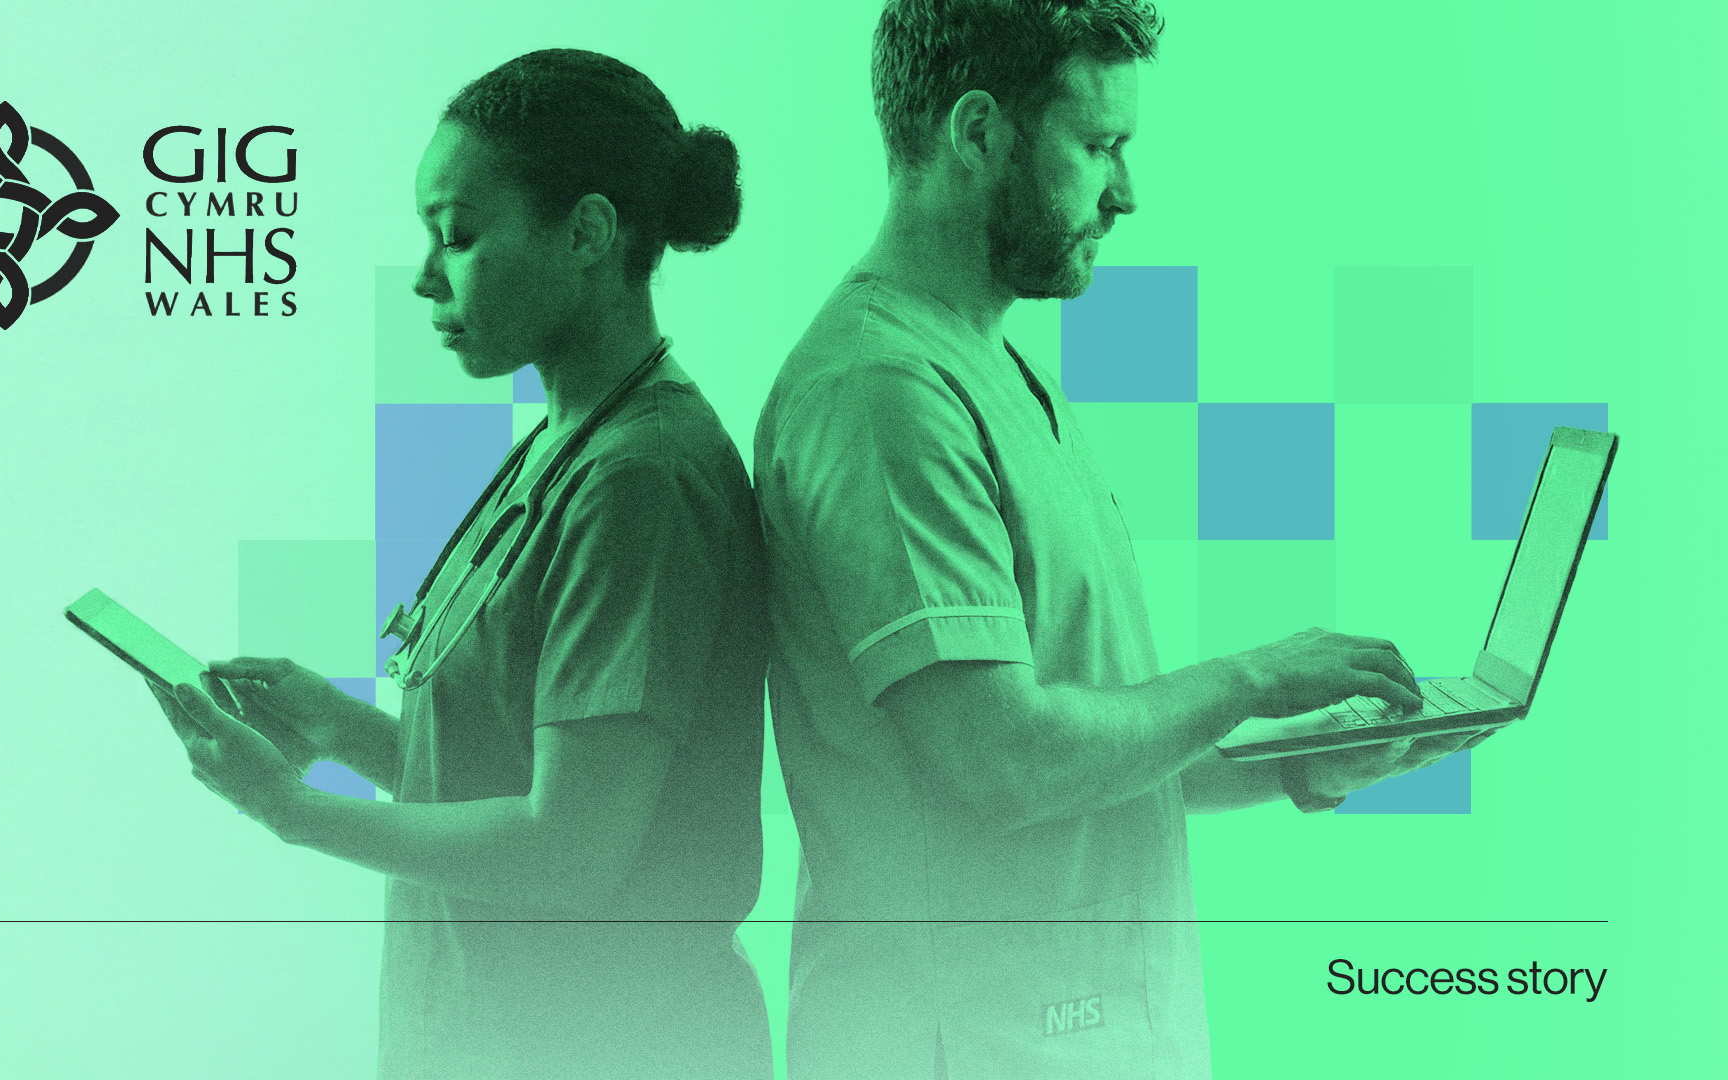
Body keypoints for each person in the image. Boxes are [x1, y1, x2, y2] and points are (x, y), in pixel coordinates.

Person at [751, 3, 1494, 1077]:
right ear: (977, 132)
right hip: (965, 1044)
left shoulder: (999, 369)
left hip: (1082, 1035)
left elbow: (1097, 750)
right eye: (1099, 145)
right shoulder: (880, 394)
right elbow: (1004, 760)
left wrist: (1304, 763)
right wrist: (1252, 678)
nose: (1126, 192)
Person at [149, 48, 773, 1080]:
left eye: (459, 234)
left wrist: (292, 812)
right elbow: (510, 773)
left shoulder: (641, 479)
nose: (427, 276)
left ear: (588, 233)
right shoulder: (562, 445)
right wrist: (339, 727)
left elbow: (570, 847)